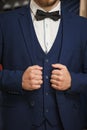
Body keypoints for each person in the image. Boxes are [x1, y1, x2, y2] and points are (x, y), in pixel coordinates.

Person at [0, 0, 87, 130]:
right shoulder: (4, 23)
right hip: (16, 122)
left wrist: (72, 81)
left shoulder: (83, 26)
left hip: (69, 123)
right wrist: (18, 80)